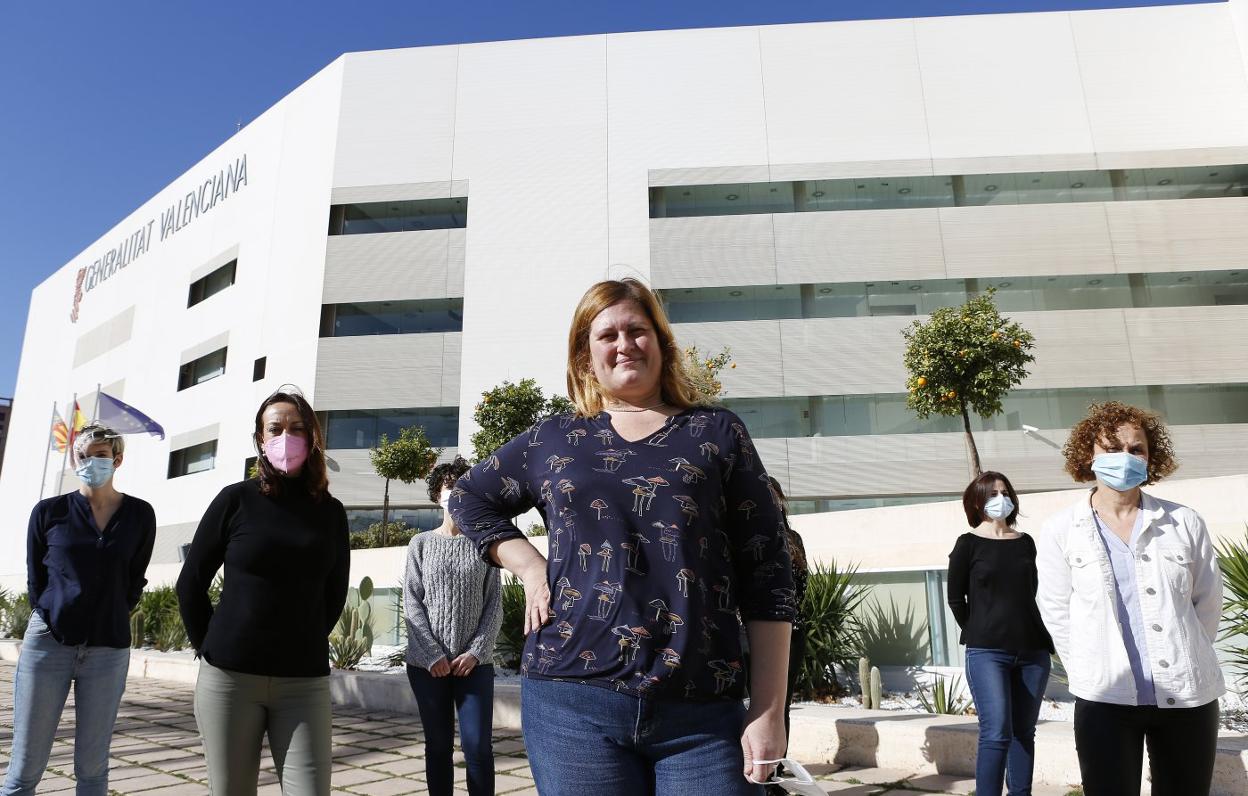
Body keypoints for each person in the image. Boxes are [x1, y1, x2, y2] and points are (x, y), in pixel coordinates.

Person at [451, 278, 795, 796]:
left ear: (660, 341)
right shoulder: (553, 438)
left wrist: (769, 712)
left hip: (700, 712)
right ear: (586, 356)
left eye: (637, 330)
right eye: (606, 334)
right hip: (571, 703)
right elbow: (468, 497)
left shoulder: (718, 433)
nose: (624, 343)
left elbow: (768, 573)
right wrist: (528, 564)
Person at [1036, 402, 1223, 796]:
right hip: (1105, 698)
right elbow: (1057, 613)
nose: (1125, 458)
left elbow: (1207, 603)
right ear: (1089, 455)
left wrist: (1184, 651)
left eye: (1136, 449)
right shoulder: (1061, 530)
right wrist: (1091, 669)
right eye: (1111, 448)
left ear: (1150, 458)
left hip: (1186, 695)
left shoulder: (1184, 522)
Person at [176, 388, 350, 796]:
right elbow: (191, 582)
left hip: (303, 682)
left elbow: (335, 592)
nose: (285, 436)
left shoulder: (330, 511)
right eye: (275, 428)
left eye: (297, 428)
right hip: (229, 680)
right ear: (260, 438)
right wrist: (213, 647)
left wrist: (301, 637)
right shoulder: (235, 500)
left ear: (312, 438)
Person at [3, 424, 156, 796]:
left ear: (117, 459)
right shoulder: (49, 511)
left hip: (108, 650)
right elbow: (36, 579)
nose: (91, 462)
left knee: (92, 768)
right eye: (84, 456)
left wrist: (110, 614)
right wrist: (55, 614)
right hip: (48, 645)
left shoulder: (140, 514)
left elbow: (135, 579)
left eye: (100, 456)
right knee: (25, 767)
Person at [947, 471, 1054, 796]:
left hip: (1033, 651)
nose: (1000, 499)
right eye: (992, 494)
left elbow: (1031, 592)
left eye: (1004, 492)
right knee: (996, 733)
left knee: (1024, 732)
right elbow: (955, 599)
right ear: (977, 502)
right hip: (987, 653)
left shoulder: (1026, 543)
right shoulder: (967, 544)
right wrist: (981, 629)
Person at [403, 456, 503, 796]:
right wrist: (432, 654)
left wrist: (476, 652)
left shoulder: (484, 543)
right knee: (439, 747)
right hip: (427, 667)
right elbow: (412, 602)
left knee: (478, 749)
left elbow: (494, 605)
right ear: (437, 495)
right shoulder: (421, 543)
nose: (455, 493)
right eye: (449, 488)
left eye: (462, 486)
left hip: (473, 667)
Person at [762, 476, 809, 796]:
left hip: (792, 633)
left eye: (774, 496)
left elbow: (802, 584)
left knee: (781, 707)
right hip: (748, 635)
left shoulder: (793, 539)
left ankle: (776, 771)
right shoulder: (745, 539)